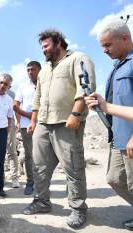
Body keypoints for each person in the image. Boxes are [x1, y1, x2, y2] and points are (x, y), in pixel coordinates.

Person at [23, 29, 96, 229]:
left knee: (73, 167)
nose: (44, 50)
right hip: (43, 124)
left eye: (46, 46)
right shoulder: (45, 70)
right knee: (39, 167)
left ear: (58, 43)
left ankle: (78, 208)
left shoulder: (78, 59)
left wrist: (75, 115)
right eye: (42, 47)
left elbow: (86, 88)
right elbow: (37, 97)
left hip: (67, 123)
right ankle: (42, 201)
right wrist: (33, 121)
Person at [87, 20, 133, 231]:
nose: (104, 51)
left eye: (108, 45)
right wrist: (100, 104)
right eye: (102, 47)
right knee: (114, 179)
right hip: (118, 137)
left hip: (131, 138)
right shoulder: (117, 66)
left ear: (125, 39)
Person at [14, 61, 41, 195]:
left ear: (39, 70)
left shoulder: (45, 85)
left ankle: (42, 184)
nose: (30, 72)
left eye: (33, 69)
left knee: (45, 156)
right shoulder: (23, 87)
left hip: (44, 124)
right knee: (29, 155)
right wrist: (28, 116)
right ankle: (30, 183)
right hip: (27, 126)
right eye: (28, 70)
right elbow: (15, 106)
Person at [5, 80, 20, 188]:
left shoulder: (12, 94)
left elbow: (16, 109)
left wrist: (18, 122)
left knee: (12, 152)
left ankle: (15, 178)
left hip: (10, 126)